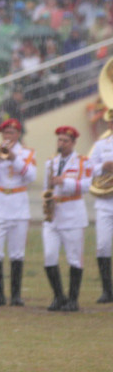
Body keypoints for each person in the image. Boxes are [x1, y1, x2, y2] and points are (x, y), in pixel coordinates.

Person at [0, 118, 36, 306]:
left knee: (17, 253)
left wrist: (15, 159)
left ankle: (16, 295)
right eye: (5, 133)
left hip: (18, 205)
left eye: (11, 133)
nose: (7, 136)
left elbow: (31, 176)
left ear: (18, 134)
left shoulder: (27, 153)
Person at [41, 125, 92, 312]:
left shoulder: (82, 162)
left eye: (65, 141)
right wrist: (47, 201)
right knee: (49, 256)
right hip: (54, 215)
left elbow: (87, 185)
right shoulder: (51, 162)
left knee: (74, 258)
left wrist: (65, 182)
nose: (61, 144)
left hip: (73, 214)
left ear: (73, 143)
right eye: (59, 140)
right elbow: (46, 187)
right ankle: (58, 296)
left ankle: (73, 299)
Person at [89, 114, 113, 304]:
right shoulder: (101, 144)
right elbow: (89, 168)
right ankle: (107, 290)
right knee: (103, 246)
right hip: (105, 203)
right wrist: (103, 167)